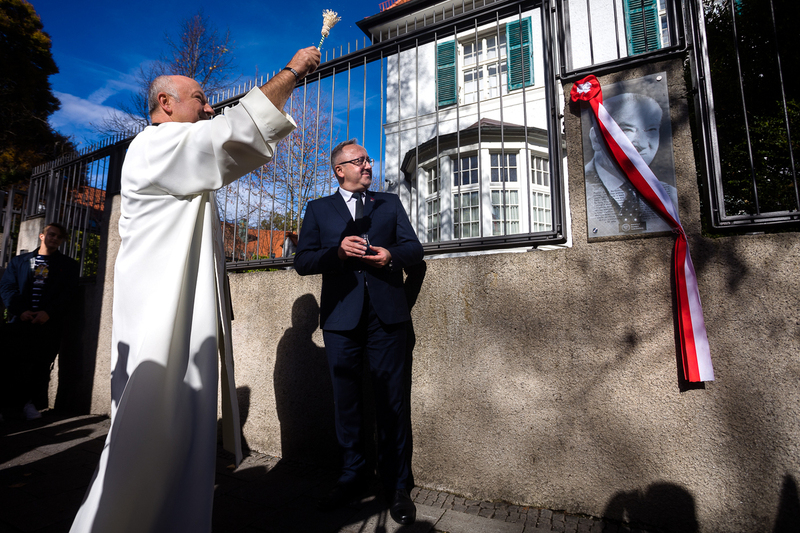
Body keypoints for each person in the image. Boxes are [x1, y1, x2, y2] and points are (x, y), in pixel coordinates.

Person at [69, 46, 320, 533]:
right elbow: (229, 137)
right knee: (147, 433)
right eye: (199, 98)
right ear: (166, 103)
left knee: (178, 437)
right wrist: (290, 73)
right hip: (161, 322)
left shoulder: (173, 155)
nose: (209, 107)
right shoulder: (153, 145)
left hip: (181, 319)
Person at [294, 139, 424, 525]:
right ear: (340, 170)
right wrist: (336, 253)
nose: (368, 165)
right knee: (346, 403)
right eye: (360, 161)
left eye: (368, 160)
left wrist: (391, 256)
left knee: (393, 402)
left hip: (387, 320)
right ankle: (352, 477)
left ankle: (398, 485)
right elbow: (302, 261)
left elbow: (414, 251)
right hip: (340, 321)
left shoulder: (388, 203)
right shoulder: (318, 209)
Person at [0, 222, 79, 420]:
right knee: (12, 364)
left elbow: (69, 294)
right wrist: (20, 310)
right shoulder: (20, 262)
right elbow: (8, 287)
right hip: (20, 321)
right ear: (42, 236)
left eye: (58, 237)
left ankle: (31, 404)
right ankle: (7, 405)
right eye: (51, 234)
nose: (54, 238)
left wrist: (49, 312)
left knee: (41, 365)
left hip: (48, 325)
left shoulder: (68, 265)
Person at [584, 92, 678, 237]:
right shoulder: (580, 191)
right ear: (596, 139)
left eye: (652, 129)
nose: (641, 144)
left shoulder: (669, 196)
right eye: (626, 130)